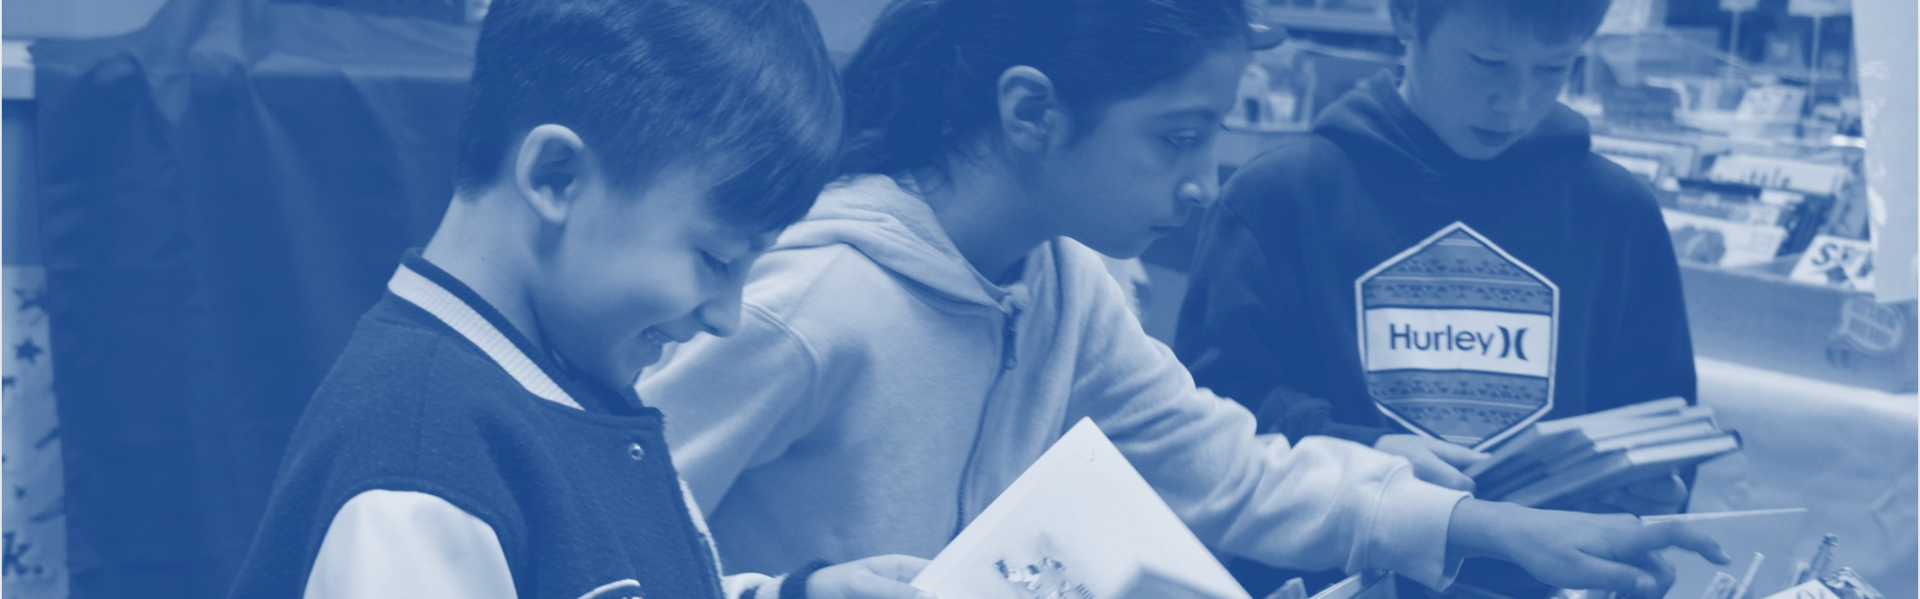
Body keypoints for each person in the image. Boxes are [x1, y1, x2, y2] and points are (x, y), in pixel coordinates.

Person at [636, 0, 1725, 597]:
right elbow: (598, 550)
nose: (1204, 181)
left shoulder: (1066, 284)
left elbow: (1233, 472)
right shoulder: (816, 298)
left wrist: (1495, 528)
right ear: (1031, 112)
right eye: (1177, 137)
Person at [227, 0, 931, 597]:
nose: (727, 315)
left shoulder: (573, 378)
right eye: (716, 259)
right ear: (557, 176)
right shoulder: (422, 468)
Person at [1174, 0, 1699, 594]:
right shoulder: (1279, 198)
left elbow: (1657, 412)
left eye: (1554, 68)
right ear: (1406, 19)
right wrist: (1368, 450)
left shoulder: (1617, 212)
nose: (1516, 101)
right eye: (1488, 62)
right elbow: (1211, 421)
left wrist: (1649, 486)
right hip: (1329, 576)